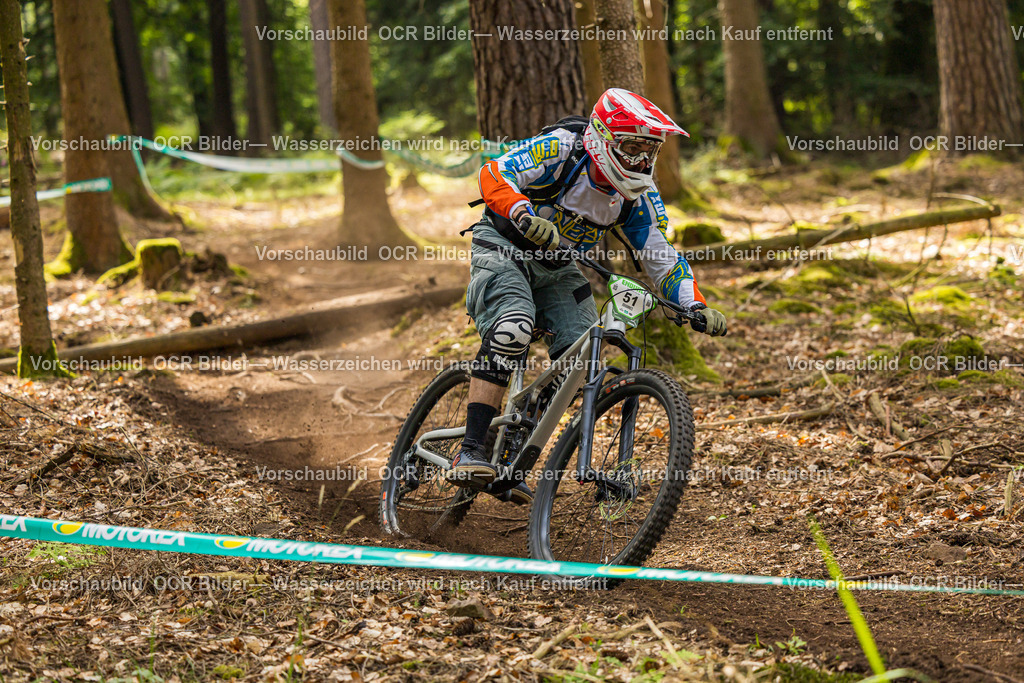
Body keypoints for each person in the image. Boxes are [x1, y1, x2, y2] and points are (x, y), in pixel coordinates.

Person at [449, 88, 727, 504]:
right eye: (631, 148)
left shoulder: (637, 196)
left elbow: (659, 253)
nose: (639, 161)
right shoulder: (562, 149)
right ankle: (470, 448)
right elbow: (495, 173)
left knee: (579, 360)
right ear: (602, 138)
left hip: (558, 266)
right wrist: (523, 213)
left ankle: (512, 452)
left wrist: (694, 304)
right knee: (512, 328)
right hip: (502, 246)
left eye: (648, 152)